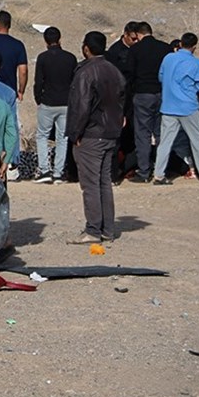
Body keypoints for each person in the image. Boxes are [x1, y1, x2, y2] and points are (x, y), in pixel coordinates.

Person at [65, 31, 125, 245]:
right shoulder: (114, 71)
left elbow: (81, 106)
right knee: (104, 183)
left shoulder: (86, 72)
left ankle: (93, 230)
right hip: (110, 133)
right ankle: (107, 229)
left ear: (86, 48)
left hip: (91, 134)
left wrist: (75, 133)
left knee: (90, 184)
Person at [151, 33, 199, 185]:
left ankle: (159, 174)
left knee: (165, 142)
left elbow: (160, 77)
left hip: (168, 106)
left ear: (180, 43)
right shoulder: (195, 63)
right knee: (196, 140)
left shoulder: (168, 58)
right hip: (188, 106)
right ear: (194, 47)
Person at [126, 21, 172, 183]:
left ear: (138, 34)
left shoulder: (135, 50)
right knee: (161, 133)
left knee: (142, 134)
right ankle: (162, 170)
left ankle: (144, 171)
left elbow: (129, 74)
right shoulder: (165, 48)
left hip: (142, 94)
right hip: (162, 94)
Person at [32, 27, 78, 184]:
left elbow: (39, 81)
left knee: (42, 136)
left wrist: (38, 98)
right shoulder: (70, 58)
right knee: (62, 137)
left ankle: (44, 170)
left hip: (48, 102)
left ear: (45, 41)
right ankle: (59, 172)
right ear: (60, 39)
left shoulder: (43, 58)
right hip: (66, 103)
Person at [105, 21, 139, 184]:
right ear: (125, 35)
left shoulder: (137, 51)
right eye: (133, 38)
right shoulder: (115, 53)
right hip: (120, 101)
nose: (136, 42)